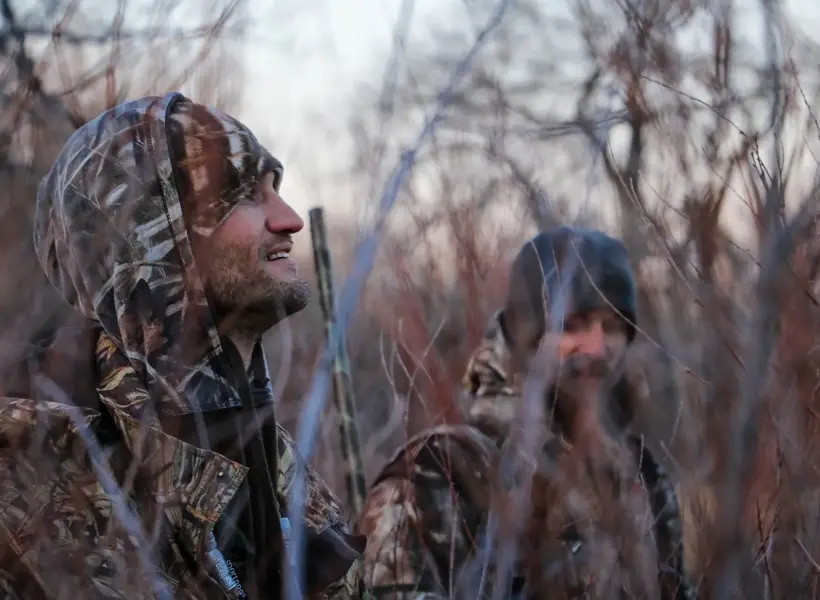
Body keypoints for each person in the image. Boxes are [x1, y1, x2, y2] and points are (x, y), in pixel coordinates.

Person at [0, 93, 365, 599]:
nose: (290, 219)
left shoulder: (286, 472)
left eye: (275, 189)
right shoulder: (33, 476)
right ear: (150, 239)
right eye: (244, 196)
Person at [357, 226, 695, 599]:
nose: (598, 348)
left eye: (614, 326)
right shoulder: (441, 471)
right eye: (572, 326)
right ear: (524, 336)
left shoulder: (643, 477)